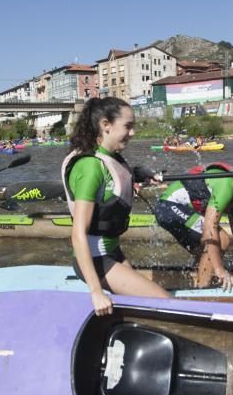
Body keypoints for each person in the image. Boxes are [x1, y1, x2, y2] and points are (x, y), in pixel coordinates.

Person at [62, 97, 170, 316]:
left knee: (139, 307)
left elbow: (118, 178)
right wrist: (96, 292)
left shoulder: (111, 158)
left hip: (113, 251)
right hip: (95, 258)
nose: (133, 133)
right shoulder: (90, 167)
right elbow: (78, 234)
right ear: (105, 125)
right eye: (128, 127)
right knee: (166, 303)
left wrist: (142, 175)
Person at [155, 160, 233, 290]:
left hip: (173, 210)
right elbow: (210, 226)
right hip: (169, 207)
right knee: (223, 239)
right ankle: (202, 290)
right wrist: (219, 269)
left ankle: (200, 280)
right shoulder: (227, 183)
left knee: (205, 252)